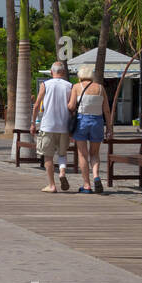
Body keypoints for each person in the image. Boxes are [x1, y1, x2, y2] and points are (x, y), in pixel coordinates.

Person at [67, 65, 114, 194]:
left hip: (81, 121)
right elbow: (106, 110)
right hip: (97, 121)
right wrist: (109, 128)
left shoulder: (76, 87)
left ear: (80, 76)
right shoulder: (100, 88)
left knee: (82, 154)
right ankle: (96, 176)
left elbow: (71, 106)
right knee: (94, 153)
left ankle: (87, 185)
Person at [31, 61, 72, 193]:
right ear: (63, 72)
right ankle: (62, 172)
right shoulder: (69, 86)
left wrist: (33, 123)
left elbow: (37, 105)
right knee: (62, 153)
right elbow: (72, 107)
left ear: (51, 72)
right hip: (64, 125)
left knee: (48, 156)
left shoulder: (45, 84)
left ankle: (52, 185)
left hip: (48, 125)